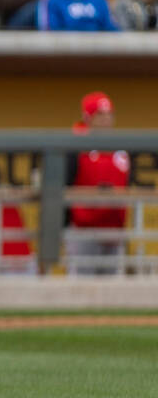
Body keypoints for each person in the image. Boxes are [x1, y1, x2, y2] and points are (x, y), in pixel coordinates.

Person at [66, 92, 130, 274]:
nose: (106, 119)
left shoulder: (121, 149)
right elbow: (66, 183)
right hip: (84, 229)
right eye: (100, 114)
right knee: (81, 290)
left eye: (109, 114)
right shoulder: (75, 145)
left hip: (114, 230)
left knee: (113, 293)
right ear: (88, 117)